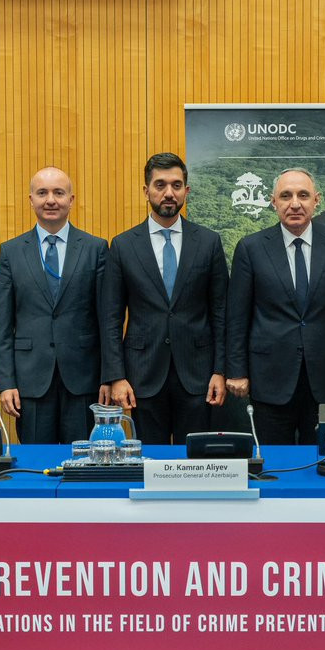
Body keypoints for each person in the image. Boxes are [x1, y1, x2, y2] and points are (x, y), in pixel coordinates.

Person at [101, 152, 228, 444]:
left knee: (195, 461)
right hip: (142, 376)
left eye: (176, 185)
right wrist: (116, 377)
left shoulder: (208, 242)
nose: (169, 193)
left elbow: (221, 313)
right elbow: (110, 318)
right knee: (148, 460)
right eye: (160, 185)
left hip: (198, 376)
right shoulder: (123, 245)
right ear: (146, 191)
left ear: (187, 190)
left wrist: (220, 371)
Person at [226, 168, 325, 445]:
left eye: (303, 195)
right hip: (269, 376)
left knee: (324, 457)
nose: (295, 203)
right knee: (274, 460)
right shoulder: (251, 248)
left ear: (317, 200)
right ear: (273, 202)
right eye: (286, 196)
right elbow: (237, 317)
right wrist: (237, 371)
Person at [0, 167, 109, 444]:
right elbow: (1, 325)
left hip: (83, 379)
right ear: (31, 199)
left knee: (82, 460)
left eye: (59, 192)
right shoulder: (11, 251)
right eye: (42, 193)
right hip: (30, 380)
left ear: (71, 199)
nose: (51, 200)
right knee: (36, 460)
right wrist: (5, 382)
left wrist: (109, 377)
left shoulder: (95, 248)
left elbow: (107, 320)